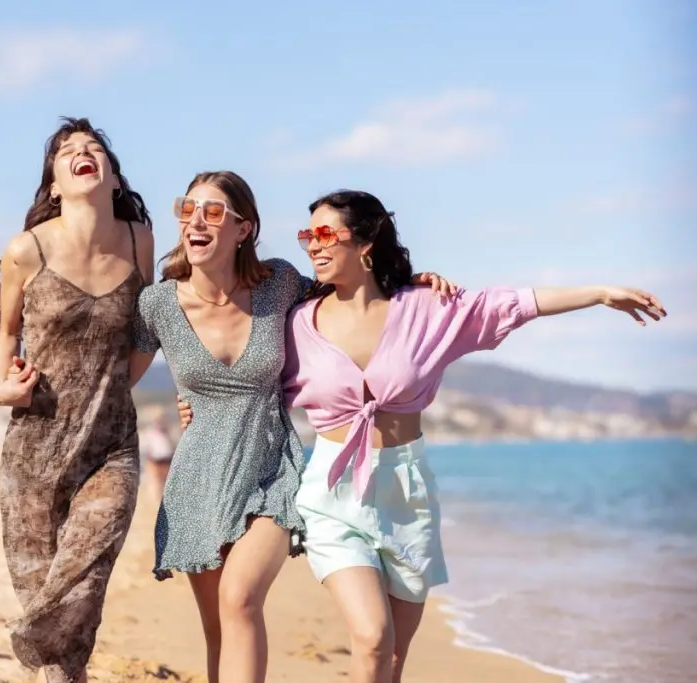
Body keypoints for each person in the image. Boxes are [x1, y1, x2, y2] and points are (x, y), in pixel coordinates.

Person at [178, 189, 666, 682]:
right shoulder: (298, 319)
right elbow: (247, 373)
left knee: (391, 659)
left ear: (365, 241)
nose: (312, 246)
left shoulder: (427, 307)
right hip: (332, 491)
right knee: (371, 636)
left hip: (406, 490)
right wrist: (197, 403)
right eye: (307, 236)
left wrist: (600, 293)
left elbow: (516, 304)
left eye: (325, 234)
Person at [130, 171, 455, 683]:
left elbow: (350, 295)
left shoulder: (280, 284)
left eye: (213, 211)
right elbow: (119, 379)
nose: (195, 220)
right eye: (187, 208)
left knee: (241, 599)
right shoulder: (158, 304)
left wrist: (411, 285)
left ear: (243, 229)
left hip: (273, 473)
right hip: (197, 477)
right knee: (218, 627)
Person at [0, 117, 154, 683]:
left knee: (85, 575)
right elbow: (7, 334)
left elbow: (146, 333)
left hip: (111, 444)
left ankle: (39, 653)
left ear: (115, 180)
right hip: (35, 445)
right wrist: (0, 388)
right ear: (53, 185)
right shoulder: (26, 249)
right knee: (43, 588)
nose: (83, 153)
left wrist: (114, 386)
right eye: (69, 151)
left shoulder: (139, 241)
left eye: (95, 149)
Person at [138, 406, 176, 506]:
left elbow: (171, 446)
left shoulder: (167, 432)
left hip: (166, 461)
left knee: (167, 484)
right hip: (155, 461)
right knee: (156, 484)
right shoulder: (150, 433)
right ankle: (157, 503)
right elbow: (147, 449)